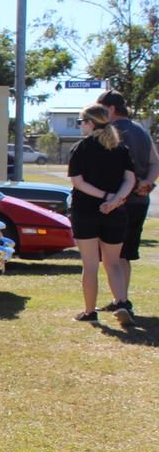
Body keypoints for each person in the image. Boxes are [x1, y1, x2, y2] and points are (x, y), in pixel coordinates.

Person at [67, 104, 136, 324]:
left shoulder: (81, 148)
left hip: (86, 211)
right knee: (113, 262)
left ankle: (89, 311)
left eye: (81, 122)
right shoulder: (120, 149)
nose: (81, 127)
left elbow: (78, 182)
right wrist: (115, 200)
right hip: (115, 213)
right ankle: (122, 302)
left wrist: (104, 196)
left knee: (90, 265)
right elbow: (130, 180)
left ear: (90, 123)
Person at [95, 89, 158, 322]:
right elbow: (155, 161)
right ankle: (121, 299)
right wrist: (148, 183)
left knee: (112, 256)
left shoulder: (113, 132)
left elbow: (117, 168)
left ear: (110, 109)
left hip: (118, 201)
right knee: (126, 254)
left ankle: (121, 302)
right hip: (140, 201)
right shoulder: (141, 130)